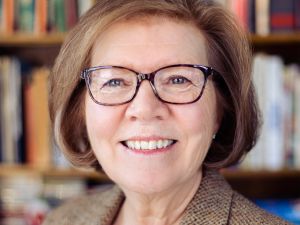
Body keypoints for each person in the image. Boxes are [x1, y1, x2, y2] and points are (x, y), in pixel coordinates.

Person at [43, 0, 291, 224]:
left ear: (220, 110)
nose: (145, 109)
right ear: (81, 110)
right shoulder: (61, 220)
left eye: (178, 80)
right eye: (115, 82)